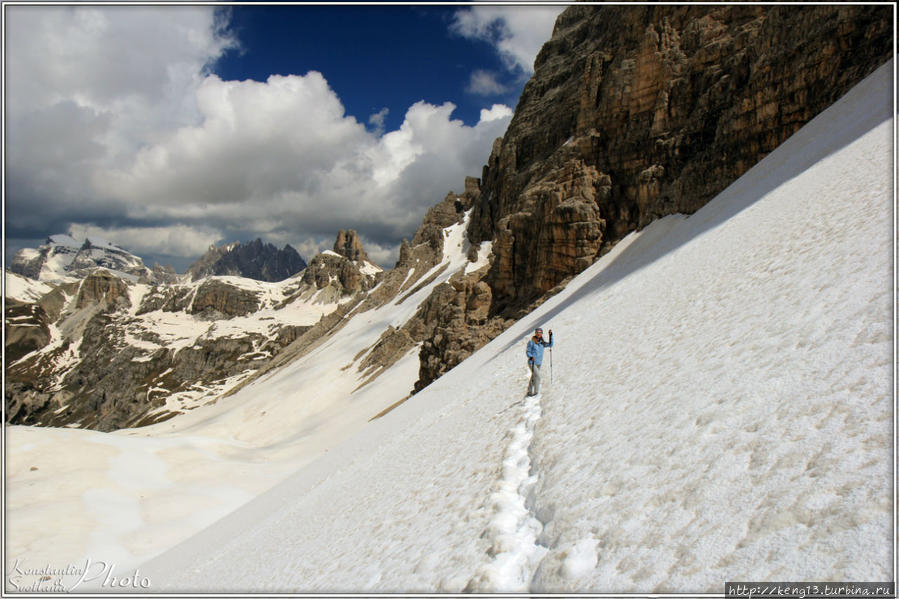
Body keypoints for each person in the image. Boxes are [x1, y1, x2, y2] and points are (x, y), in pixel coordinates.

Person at [526, 327, 553, 397]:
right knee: (538, 377)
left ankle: (529, 391)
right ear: (535, 333)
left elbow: (551, 344)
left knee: (534, 377)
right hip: (532, 362)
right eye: (537, 332)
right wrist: (531, 356)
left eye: (540, 332)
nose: (539, 334)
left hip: (539, 363)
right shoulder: (531, 342)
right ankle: (536, 393)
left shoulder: (542, 343)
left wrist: (551, 335)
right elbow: (528, 351)